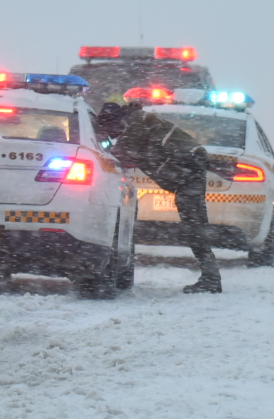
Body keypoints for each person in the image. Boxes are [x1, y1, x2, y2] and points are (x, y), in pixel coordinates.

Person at [96, 101, 232, 293]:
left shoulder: (136, 125)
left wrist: (100, 145)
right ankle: (211, 276)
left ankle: (211, 278)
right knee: (195, 228)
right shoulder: (138, 123)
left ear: (115, 121)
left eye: (109, 129)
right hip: (186, 176)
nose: (112, 135)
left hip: (188, 177)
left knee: (195, 228)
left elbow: (120, 154)